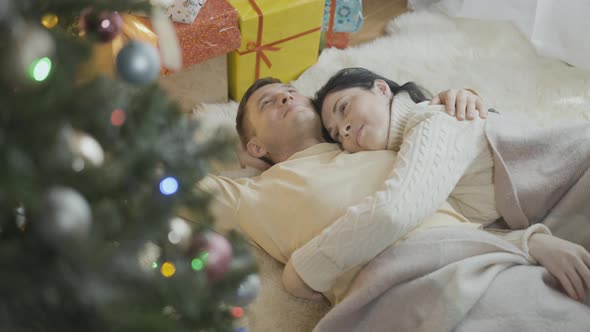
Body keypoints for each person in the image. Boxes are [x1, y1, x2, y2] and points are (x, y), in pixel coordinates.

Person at [200, 77, 585, 306]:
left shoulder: (373, 142)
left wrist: (528, 243)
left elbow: (457, 189)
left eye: (292, 92)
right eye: (269, 103)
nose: (286, 97)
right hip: (400, 292)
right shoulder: (251, 196)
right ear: (255, 148)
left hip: (489, 260)